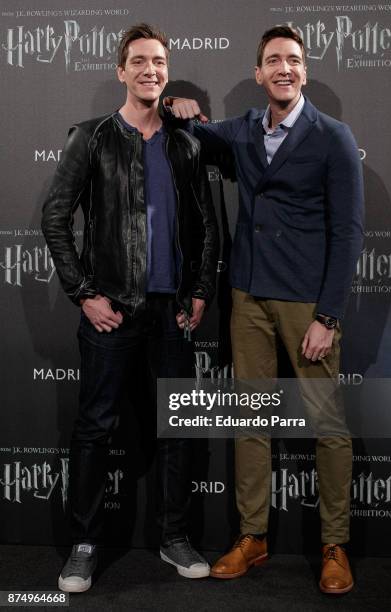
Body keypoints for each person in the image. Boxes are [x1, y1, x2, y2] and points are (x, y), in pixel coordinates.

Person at [166, 25, 364, 594]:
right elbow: (200, 133)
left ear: (304, 70)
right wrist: (182, 109)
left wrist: (328, 317)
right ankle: (252, 536)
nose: (284, 68)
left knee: (327, 426)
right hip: (247, 297)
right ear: (259, 74)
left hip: (307, 304)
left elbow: (348, 234)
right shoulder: (245, 129)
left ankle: (335, 544)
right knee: (251, 423)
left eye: (293, 60)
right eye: (273, 60)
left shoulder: (333, 137)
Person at [41, 23, 219, 592]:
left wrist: (199, 292)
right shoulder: (91, 137)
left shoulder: (187, 141)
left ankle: (174, 537)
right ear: (121, 71)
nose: (150, 70)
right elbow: (54, 218)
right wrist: (84, 294)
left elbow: (207, 228)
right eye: (139, 61)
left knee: (178, 428)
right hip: (110, 312)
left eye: (159, 62)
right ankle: (85, 543)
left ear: (167, 71)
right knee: (94, 428)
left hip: (172, 314)